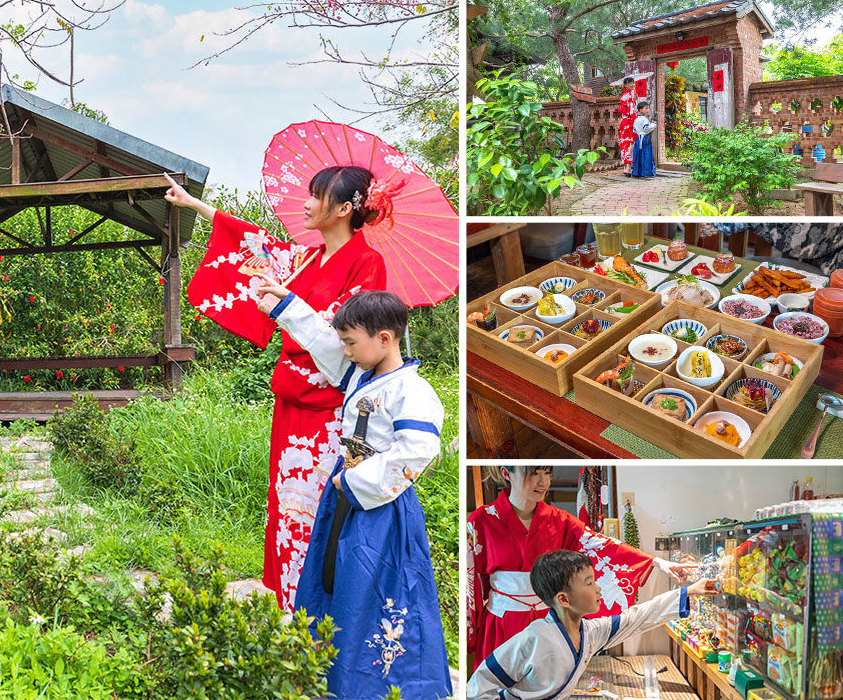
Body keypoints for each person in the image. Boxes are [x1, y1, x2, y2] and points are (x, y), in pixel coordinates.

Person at [163, 168, 387, 611]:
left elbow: (353, 346)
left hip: (332, 409)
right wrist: (193, 205)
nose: (305, 204)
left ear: (344, 209)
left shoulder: (367, 264)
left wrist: (288, 306)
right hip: (292, 402)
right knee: (289, 508)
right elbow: (255, 243)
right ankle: (292, 605)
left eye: (315, 196)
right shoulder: (307, 258)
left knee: (325, 511)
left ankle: (328, 611)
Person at [252, 285, 450, 699]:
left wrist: (354, 481)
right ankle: (333, 675)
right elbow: (323, 341)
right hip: (345, 496)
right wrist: (284, 306)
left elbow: (417, 450)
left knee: (376, 588)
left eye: (351, 342)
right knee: (337, 582)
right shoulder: (363, 373)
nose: (344, 350)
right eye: (345, 342)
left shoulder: (413, 391)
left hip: (382, 507)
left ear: (384, 338)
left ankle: (380, 683)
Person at [465, 466, 691, 670]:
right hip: (503, 621)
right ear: (507, 474)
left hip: (550, 617)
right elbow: (470, 580)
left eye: (547, 473)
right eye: (533, 473)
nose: (543, 482)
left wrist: (657, 561)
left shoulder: (559, 520)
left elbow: (601, 545)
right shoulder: (480, 520)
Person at [467, 550, 718, 700]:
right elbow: (479, 685)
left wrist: (690, 591)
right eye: (589, 583)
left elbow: (637, 618)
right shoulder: (533, 639)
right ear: (564, 599)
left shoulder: (590, 632)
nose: (598, 588)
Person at [632, 98, 658, 178]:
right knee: (646, 155)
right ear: (640, 110)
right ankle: (645, 173)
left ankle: (637, 172)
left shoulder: (636, 119)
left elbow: (634, 130)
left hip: (638, 139)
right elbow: (646, 129)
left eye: (648, 108)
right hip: (644, 139)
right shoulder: (645, 120)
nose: (648, 110)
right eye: (646, 108)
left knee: (638, 156)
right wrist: (653, 125)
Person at [617, 76, 637, 176]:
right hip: (629, 123)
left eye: (633, 83)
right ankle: (629, 168)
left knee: (624, 144)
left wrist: (634, 100)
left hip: (623, 122)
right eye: (630, 83)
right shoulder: (629, 96)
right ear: (625, 85)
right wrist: (637, 122)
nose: (632, 85)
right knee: (630, 144)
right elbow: (632, 111)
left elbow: (621, 112)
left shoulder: (623, 96)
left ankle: (625, 167)